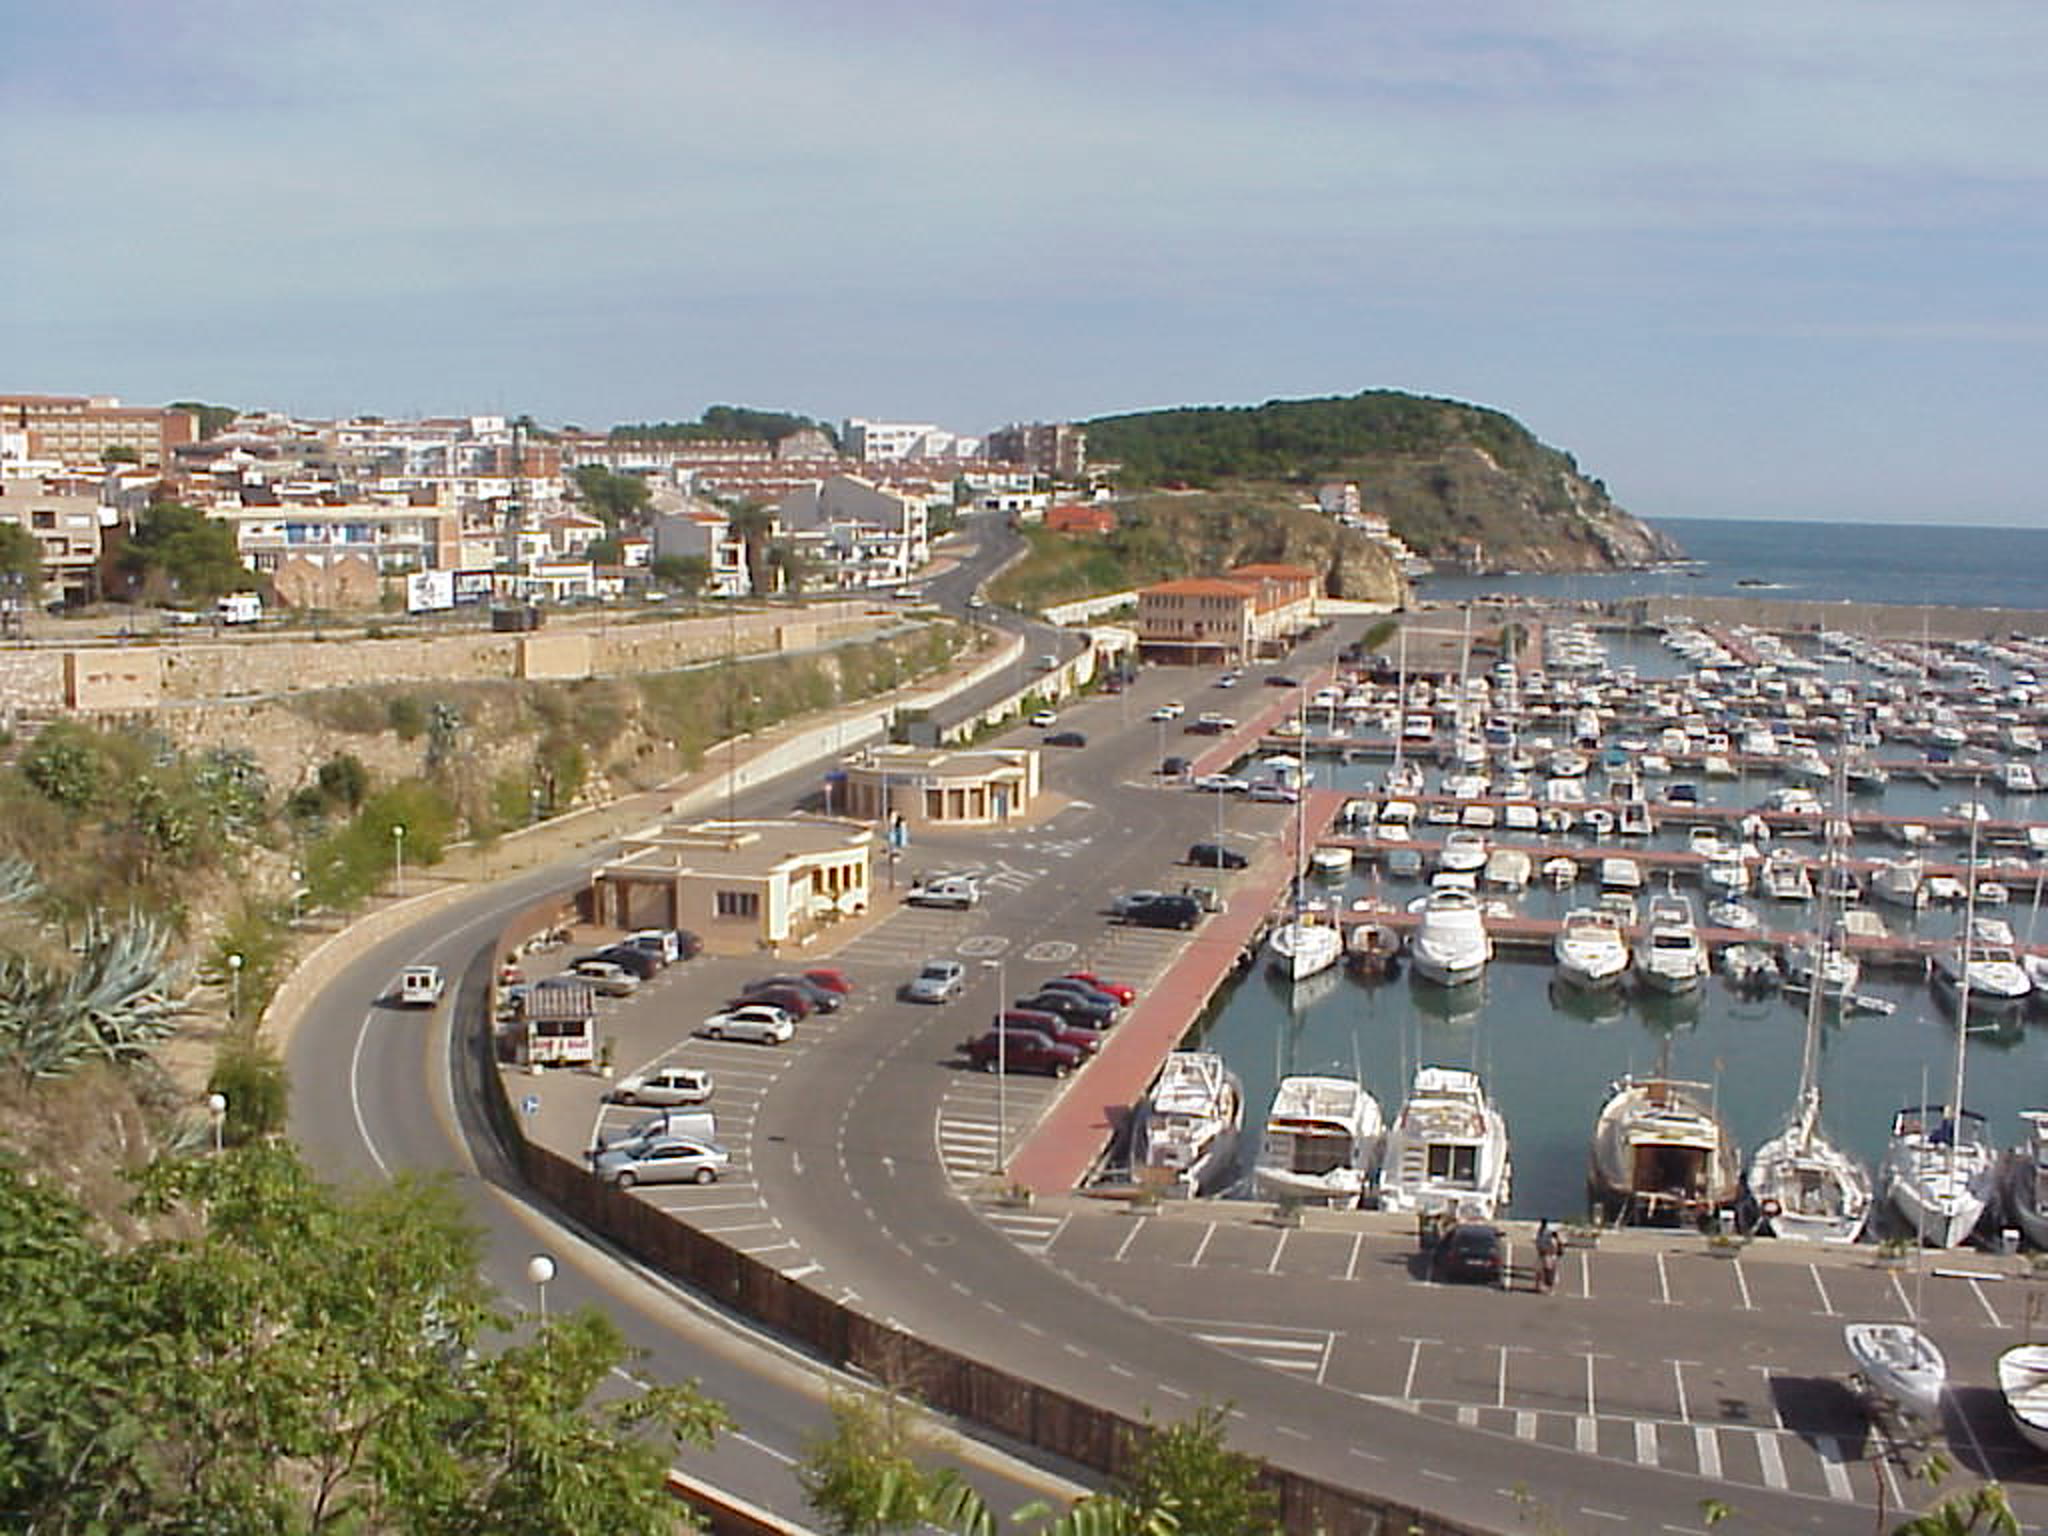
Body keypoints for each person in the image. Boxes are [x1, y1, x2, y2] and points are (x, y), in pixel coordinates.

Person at [1535, 1219, 1564, 1293]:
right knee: (1540, 1271)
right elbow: (1539, 1243)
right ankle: (1538, 1286)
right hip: (1544, 1255)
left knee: (1549, 1272)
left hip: (1549, 1255)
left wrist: (1550, 1253)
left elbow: (1554, 1247)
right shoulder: (1541, 1232)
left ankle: (1550, 1288)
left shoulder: (1550, 1236)